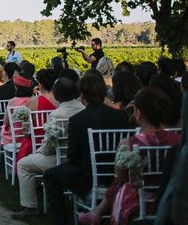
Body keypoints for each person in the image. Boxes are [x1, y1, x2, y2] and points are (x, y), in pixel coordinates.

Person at [78, 88, 181, 225]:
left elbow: (120, 177)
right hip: (174, 197)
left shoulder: (129, 144)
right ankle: (97, 212)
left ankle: (97, 212)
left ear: (138, 113)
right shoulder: (179, 141)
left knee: (119, 182)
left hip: (138, 201)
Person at [43, 71, 129, 225]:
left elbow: (73, 157)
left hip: (87, 175)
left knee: (50, 175)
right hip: (118, 174)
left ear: (82, 94)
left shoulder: (77, 120)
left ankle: (60, 221)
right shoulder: (121, 116)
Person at [12, 77, 85, 219]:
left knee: (23, 164)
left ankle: (30, 206)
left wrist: (39, 151)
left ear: (57, 94)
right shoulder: (83, 109)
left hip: (59, 159)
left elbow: (48, 147)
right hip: (78, 158)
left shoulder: (57, 114)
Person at [15, 69, 59, 163]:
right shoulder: (61, 101)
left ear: (40, 84)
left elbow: (26, 130)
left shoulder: (32, 102)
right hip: (58, 140)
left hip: (38, 142)